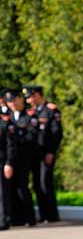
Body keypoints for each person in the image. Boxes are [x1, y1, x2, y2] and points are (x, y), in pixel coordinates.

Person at [23, 85, 62, 223]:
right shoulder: (30, 113)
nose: (28, 100)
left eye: (30, 96)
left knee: (46, 182)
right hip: (34, 154)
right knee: (36, 184)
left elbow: (56, 134)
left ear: (38, 95)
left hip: (46, 153)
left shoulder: (50, 110)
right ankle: (43, 214)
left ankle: (52, 215)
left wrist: (51, 151)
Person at [5, 90, 40, 226]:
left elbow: (32, 136)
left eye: (14, 100)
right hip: (10, 158)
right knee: (11, 188)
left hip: (24, 157)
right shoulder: (7, 117)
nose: (12, 104)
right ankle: (15, 217)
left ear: (21, 99)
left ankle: (29, 217)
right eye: (9, 101)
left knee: (22, 187)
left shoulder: (30, 116)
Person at [0, 100, 16, 230]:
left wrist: (8, 163)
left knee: (2, 193)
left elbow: (10, 145)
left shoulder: (4, 122)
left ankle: (3, 220)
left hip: (2, 161)